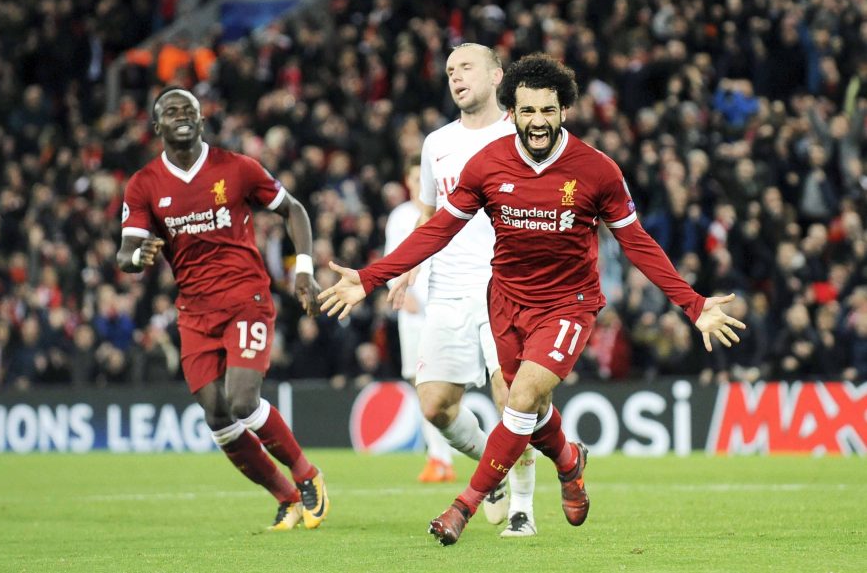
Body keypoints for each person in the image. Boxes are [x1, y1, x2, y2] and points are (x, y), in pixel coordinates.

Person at [318, 54, 745, 546]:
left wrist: (692, 304)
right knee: (531, 408)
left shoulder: (596, 170)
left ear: (564, 109)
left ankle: (465, 506)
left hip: (567, 304)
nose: (538, 122)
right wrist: (370, 278)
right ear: (514, 112)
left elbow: (637, 242)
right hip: (505, 300)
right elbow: (437, 231)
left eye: (548, 110)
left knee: (519, 399)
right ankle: (569, 460)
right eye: (527, 112)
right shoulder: (487, 165)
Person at [116, 86, 329, 531]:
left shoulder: (236, 168)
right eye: (171, 110)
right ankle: (286, 498)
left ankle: (307, 474)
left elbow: (294, 211)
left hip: (245, 298)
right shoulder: (143, 184)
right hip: (194, 312)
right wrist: (140, 256)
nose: (181, 115)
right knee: (218, 417)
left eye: (188, 109)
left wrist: (304, 270)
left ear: (200, 119)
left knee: (243, 399)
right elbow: (126, 253)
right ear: (157, 126)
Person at [388, 43, 538, 536]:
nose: (456, 76)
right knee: (434, 405)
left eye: (466, 67)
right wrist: (409, 265)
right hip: (448, 289)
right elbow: (429, 214)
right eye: (450, 70)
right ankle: (489, 473)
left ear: (497, 76)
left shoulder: (524, 132)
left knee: (510, 398)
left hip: (507, 285)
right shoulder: (437, 144)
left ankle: (521, 508)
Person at [384, 155, 456, 483]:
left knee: (443, 386)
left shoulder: (445, 214)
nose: (416, 185)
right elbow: (391, 261)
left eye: (420, 179)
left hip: (443, 311)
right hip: (412, 316)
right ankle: (438, 457)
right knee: (419, 384)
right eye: (412, 180)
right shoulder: (399, 218)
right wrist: (400, 291)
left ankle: (444, 457)